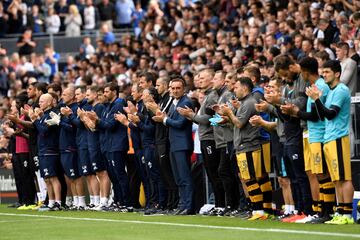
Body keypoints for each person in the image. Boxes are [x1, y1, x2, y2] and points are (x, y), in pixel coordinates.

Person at [306, 60, 354, 225]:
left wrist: (317, 100)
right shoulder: (332, 91)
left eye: (327, 72)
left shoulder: (341, 90)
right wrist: (316, 99)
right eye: (323, 72)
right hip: (329, 138)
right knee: (336, 179)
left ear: (337, 73)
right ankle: (340, 212)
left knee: (344, 177)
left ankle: (347, 213)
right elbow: (323, 115)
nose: (323, 75)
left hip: (339, 137)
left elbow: (332, 114)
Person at [152, 78, 194, 215]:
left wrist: (164, 119)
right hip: (174, 144)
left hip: (182, 144)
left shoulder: (186, 102)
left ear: (183, 89)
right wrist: (164, 117)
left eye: (178, 88)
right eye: (173, 88)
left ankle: (188, 206)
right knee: (178, 177)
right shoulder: (174, 103)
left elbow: (180, 123)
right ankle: (182, 204)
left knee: (184, 176)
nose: (175, 91)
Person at [29, 93, 62, 211]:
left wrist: (35, 119)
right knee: (46, 178)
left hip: (50, 149)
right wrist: (37, 119)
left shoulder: (53, 114)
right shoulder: (43, 115)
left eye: (42, 101)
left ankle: (58, 202)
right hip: (42, 149)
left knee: (53, 177)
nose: (39, 103)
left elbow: (44, 130)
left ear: (49, 102)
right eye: (40, 101)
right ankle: (51, 202)